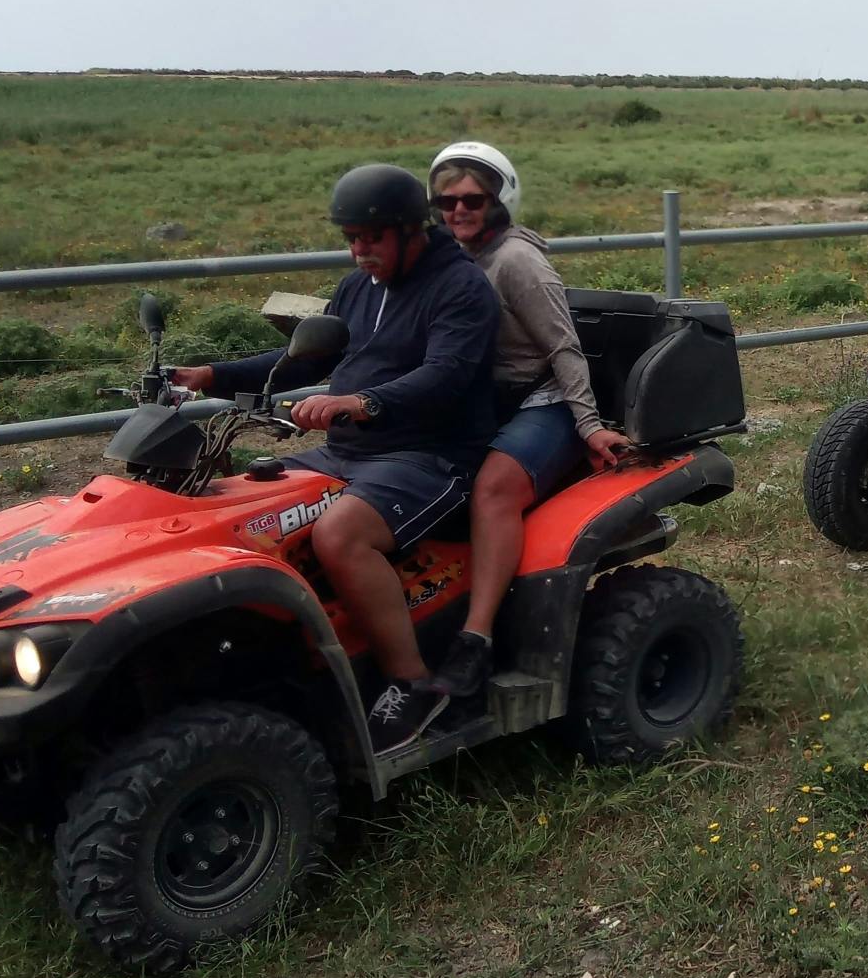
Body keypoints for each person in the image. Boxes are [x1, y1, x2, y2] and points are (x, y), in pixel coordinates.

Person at [171, 165, 499, 755]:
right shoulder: (358, 287)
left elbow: (446, 376)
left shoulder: (460, 286)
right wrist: (214, 375)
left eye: (370, 237)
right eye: (350, 238)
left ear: (409, 229)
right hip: (348, 450)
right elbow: (303, 360)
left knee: (340, 535)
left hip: (432, 454)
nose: (358, 250)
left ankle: (414, 682)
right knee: (238, 514)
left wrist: (363, 401)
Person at [423, 141, 630, 701]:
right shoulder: (449, 256)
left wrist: (588, 425)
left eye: (472, 199)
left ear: (499, 201)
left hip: (544, 400)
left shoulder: (516, 260)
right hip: (483, 400)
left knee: (493, 491)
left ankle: (475, 637)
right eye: (447, 201)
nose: (458, 211)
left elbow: (565, 348)